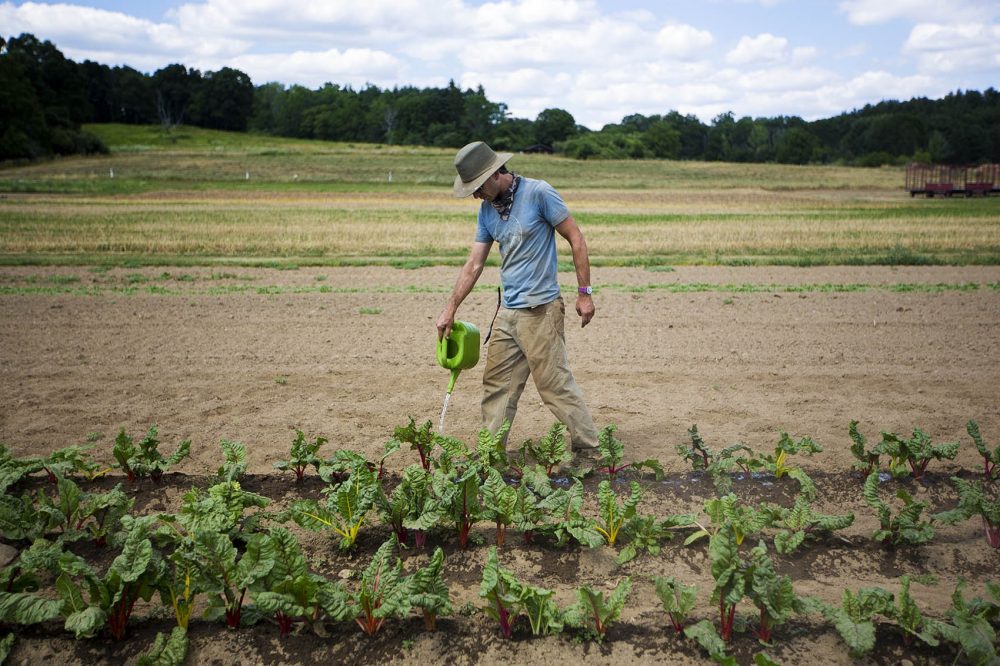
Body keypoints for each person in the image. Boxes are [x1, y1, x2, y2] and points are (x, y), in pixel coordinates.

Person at [436, 140, 599, 464]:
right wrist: (450, 307)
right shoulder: (486, 211)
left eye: (477, 186)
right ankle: (490, 456)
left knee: (554, 386)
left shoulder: (539, 193)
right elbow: (474, 264)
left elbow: (576, 238)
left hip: (541, 311)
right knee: (497, 386)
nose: (474, 195)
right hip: (507, 313)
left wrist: (584, 294)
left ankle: (590, 450)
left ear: (495, 174)